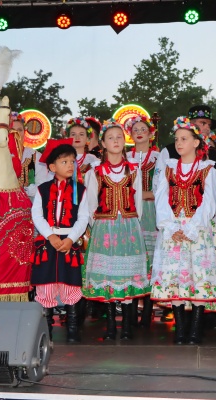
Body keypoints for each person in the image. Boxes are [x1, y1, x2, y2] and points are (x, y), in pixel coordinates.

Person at [152, 117, 216, 345]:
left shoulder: (208, 170)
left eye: (184, 139)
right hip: (173, 232)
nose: (179, 143)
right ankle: (180, 329)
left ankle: (195, 330)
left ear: (196, 142)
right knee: (175, 278)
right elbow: (161, 200)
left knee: (199, 277)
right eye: (177, 139)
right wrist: (171, 226)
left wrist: (192, 227)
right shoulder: (168, 169)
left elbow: (209, 203)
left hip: (198, 231)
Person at [82, 119, 150, 341]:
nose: (115, 141)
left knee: (128, 275)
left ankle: (127, 325)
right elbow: (90, 205)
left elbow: (138, 204)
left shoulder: (134, 170)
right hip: (104, 228)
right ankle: (111, 325)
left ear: (124, 141)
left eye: (119, 137)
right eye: (110, 138)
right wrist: (99, 226)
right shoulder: (95, 172)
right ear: (103, 143)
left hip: (129, 227)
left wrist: (131, 223)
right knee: (109, 276)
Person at [31, 140, 89, 343]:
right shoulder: (42, 189)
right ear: (52, 167)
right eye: (64, 162)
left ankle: (72, 329)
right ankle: (46, 331)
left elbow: (83, 218)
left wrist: (71, 238)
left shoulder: (80, 190)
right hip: (48, 242)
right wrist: (50, 235)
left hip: (69, 243)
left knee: (70, 286)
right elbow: (37, 215)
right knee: (45, 286)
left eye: (72, 161)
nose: (70, 165)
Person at [125, 115, 160, 328]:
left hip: (151, 212)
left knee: (151, 260)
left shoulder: (158, 157)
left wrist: (141, 194)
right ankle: (130, 310)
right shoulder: (125, 156)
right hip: (129, 211)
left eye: (143, 129)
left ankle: (147, 310)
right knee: (132, 258)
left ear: (151, 133)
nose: (139, 132)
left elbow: (162, 189)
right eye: (135, 129)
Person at [156, 105, 216, 179]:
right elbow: (157, 181)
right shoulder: (168, 151)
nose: (207, 127)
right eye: (203, 123)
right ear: (191, 124)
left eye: (209, 125)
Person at [67, 117, 100, 183]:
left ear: (87, 138)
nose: (77, 137)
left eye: (81, 134)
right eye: (73, 134)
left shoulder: (93, 160)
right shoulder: (61, 158)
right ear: (68, 137)